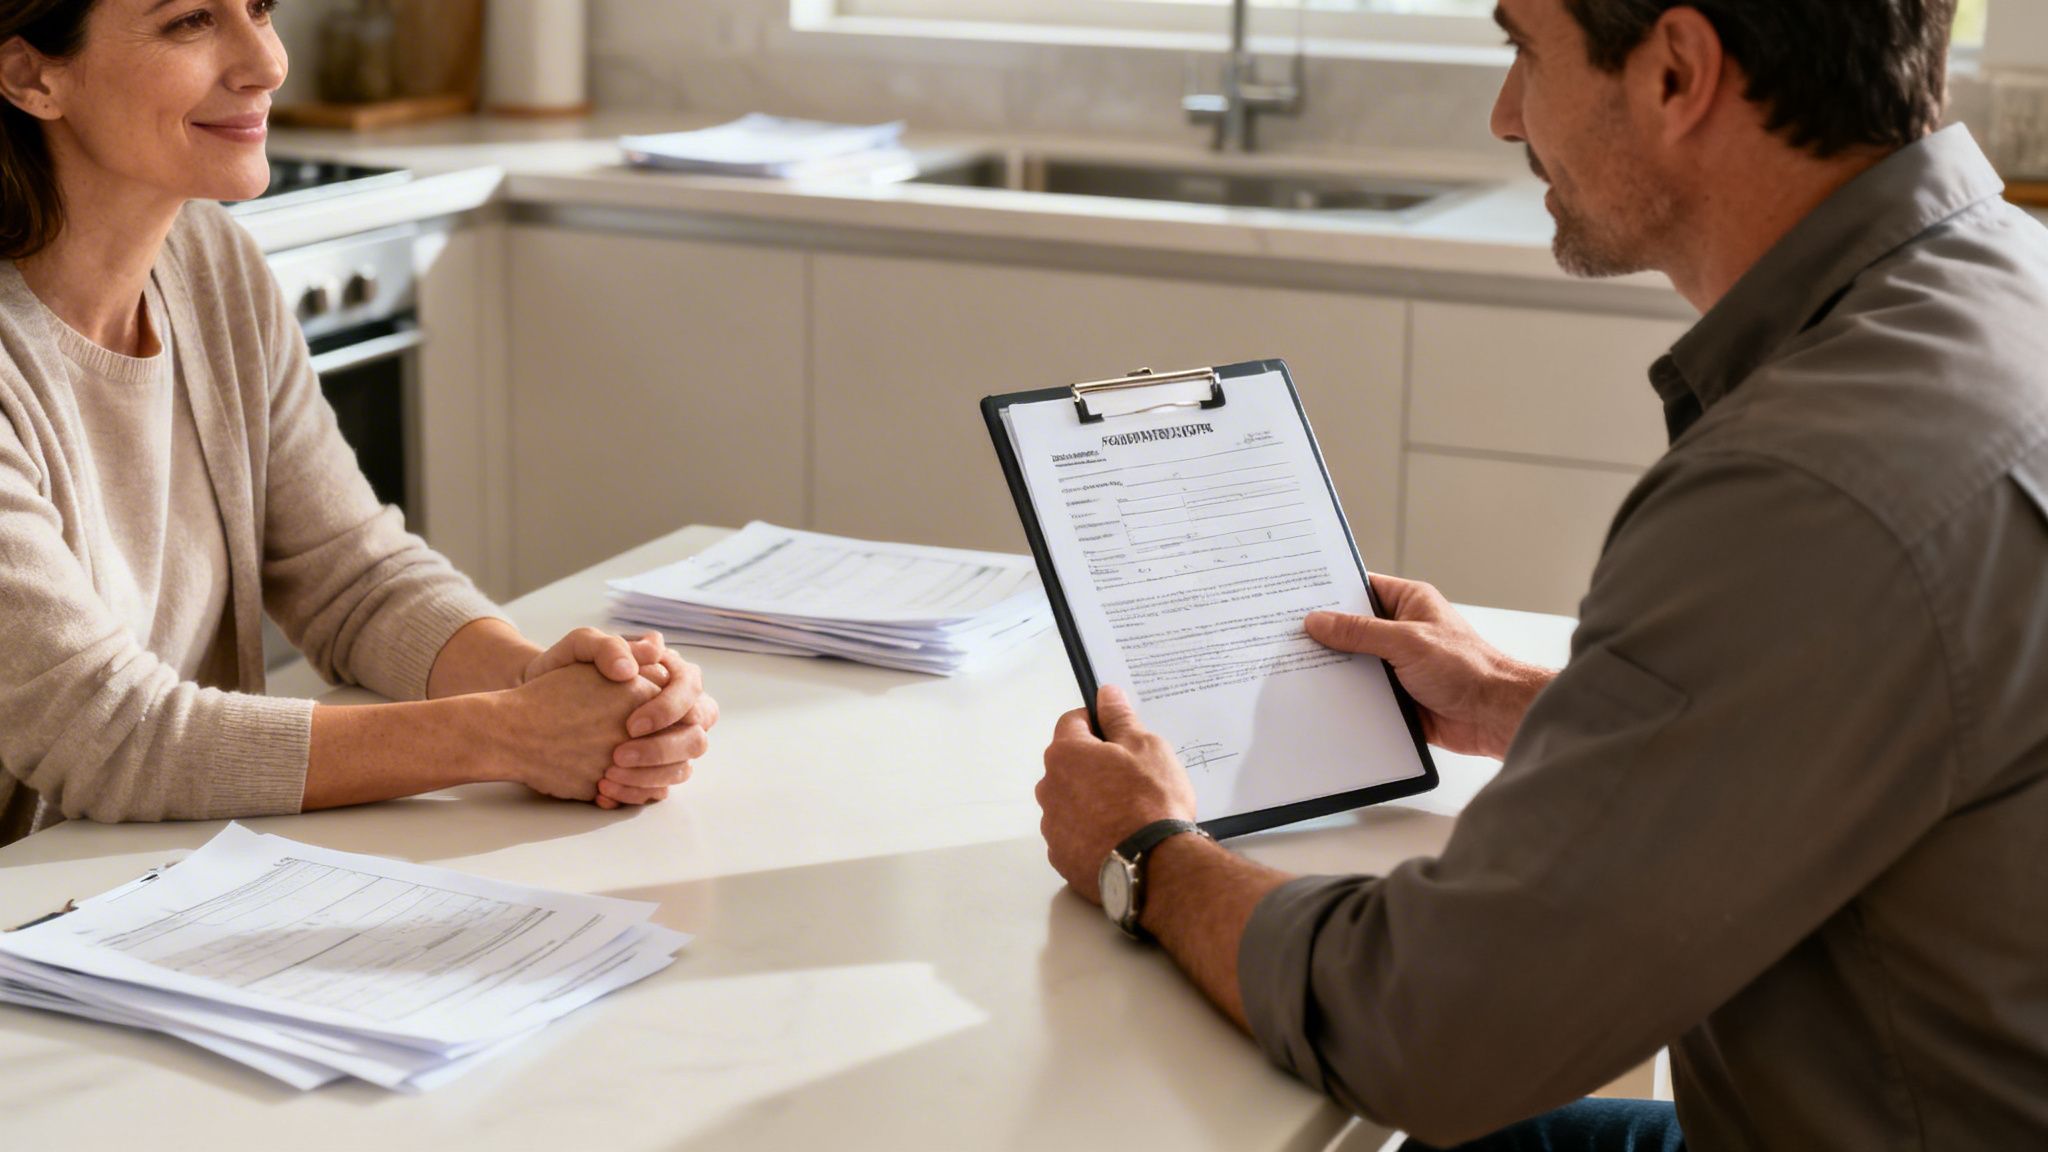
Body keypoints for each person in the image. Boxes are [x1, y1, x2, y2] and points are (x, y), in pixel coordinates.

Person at [1036, 1, 2048, 1148]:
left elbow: (1426, 1029)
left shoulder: (1811, 481)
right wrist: (1541, 707)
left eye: (1522, 48)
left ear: (1675, 72)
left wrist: (1146, 857)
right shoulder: (2003, 287)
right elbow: (1882, 726)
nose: (1505, 113)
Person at [0, 0, 718, 847]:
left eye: (260, 8)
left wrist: (550, 685)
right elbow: (111, 736)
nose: (266, 64)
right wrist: (510, 732)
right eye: (190, 21)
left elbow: (353, 575)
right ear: (31, 76)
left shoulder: (210, 262)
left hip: (156, 873)